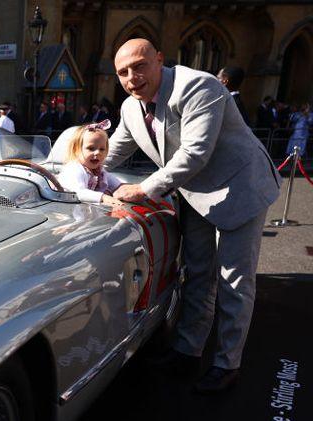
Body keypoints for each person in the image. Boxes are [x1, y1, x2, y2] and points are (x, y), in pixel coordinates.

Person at [105, 38, 281, 393]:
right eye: (123, 72)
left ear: (159, 59)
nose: (132, 77)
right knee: (197, 274)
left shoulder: (199, 85)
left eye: (139, 66)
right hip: (194, 195)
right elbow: (110, 152)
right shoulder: (130, 108)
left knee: (234, 280)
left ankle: (227, 363)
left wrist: (143, 189)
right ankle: (188, 351)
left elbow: (195, 152)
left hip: (239, 188)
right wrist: (67, 173)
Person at [56, 121, 124, 205]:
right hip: (65, 209)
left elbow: (116, 184)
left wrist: (125, 188)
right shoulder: (74, 169)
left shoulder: (99, 171)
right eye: (91, 148)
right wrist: (103, 197)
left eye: (102, 149)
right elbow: (78, 192)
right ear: (76, 150)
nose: (97, 153)